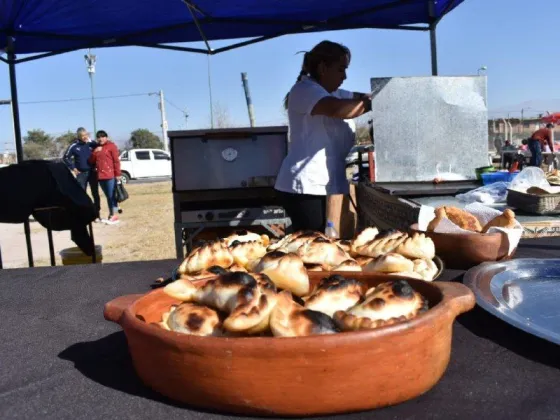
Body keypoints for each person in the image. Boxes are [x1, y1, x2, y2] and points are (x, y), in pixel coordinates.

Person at [274, 40, 372, 232]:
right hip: (305, 188)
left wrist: (381, 95)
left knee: (327, 244)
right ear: (322, 68)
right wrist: (369, 103)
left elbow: (359, 97)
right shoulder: (304, 90)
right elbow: (339, 110)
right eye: (340, 69)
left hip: (326, 186)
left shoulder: (336, 92)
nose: (345, 76)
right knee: (313, 245)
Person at [62, 127, 101, 221]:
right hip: (81, 174)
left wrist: (91, 141)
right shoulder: (74, 146)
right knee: (81, 194)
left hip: (92, 172)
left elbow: (100, 147)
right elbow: (66, 158)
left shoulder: (91, 144)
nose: (85, 137)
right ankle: (83, 214)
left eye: (86, 135)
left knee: (95, 193)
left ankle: (96, 214)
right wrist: (73, 168)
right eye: (83, 135)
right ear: (79, 136)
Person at [88, 130, 122, 225]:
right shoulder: (97, 148)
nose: (100, 139)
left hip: (110, 175)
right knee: (108, 196)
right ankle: (112, 214)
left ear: (106, 137)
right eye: (99, 137)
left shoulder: (111, 146)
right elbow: (91, 161)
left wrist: (118, 174)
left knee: (112, 196)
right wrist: (95, 152)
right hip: (100, 176)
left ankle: (114, 215)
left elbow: (116, 161)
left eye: (102, 137)